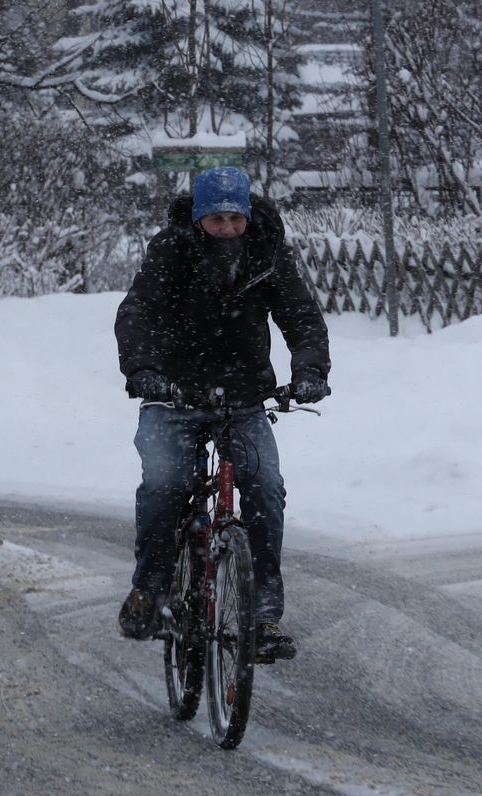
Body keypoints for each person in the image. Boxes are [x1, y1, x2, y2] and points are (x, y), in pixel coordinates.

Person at [114, 166, 330, 661]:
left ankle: (263, 618)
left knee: (265, 488)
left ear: (248, 216)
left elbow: (299, 315)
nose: (228, 228)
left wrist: (310, 370)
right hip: (173, 394)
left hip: (244, 396)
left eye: (236, 218)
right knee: (166, 486)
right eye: (216, 219)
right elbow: (137, 313)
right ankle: (151, 589)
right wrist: (143, 369)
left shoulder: (267, 252)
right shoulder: (171, 251)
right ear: (197, 218)